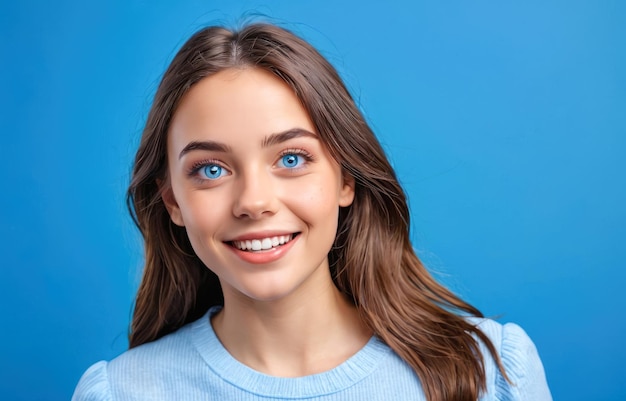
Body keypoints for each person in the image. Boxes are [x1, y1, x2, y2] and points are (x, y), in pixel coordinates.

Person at [72, 22, 552, 401]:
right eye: (211, 169)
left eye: (292, 159)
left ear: (346, 178)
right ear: (172, 199)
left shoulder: (493, 374)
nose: (254, 202)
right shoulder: (119, 393)